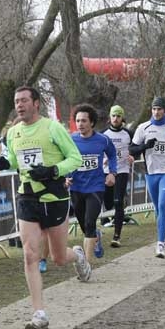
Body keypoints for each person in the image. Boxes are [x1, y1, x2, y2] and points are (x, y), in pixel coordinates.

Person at [0, 85, 87, 329]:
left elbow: (75, 158)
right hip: (27, 197)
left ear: (36, 103)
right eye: (16, 101)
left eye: (24, 100)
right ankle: (39, 313)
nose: (19, 105)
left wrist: (54, 170)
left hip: (54, 197)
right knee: (30, 254)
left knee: (58, 258)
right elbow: (15, 159)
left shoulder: (53, 128)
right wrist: (5, 162)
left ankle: (76, 255)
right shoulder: (13, 133)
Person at [130, 96, 165, 258]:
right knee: (157, 208)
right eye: (154, 109)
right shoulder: (143, 127)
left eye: (159, 109)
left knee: (162, 204)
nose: (156, 112)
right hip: (151, 173)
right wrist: (145, 146)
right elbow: (132, 149)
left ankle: (160, 245)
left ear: (164, 110)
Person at [68, 104, 117, 264]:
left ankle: (86, 264)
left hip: (96, 187)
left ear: (92, 123)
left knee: (89, 222)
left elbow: (112, 155)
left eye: (83, 121)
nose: (80, 124)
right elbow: (63, 159)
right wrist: (65, 177)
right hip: (76, 187)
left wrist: (112, 172)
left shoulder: (102, 139)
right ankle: (96, 236)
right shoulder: (71, 139)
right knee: (84, 224)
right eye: (77, 121)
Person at [100, 105, 134, 248]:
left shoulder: (128, 133)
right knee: (107, 202)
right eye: (113, 116)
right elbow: (97, 150)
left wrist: (132, 155)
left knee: (118, 201)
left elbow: (136, 145)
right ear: (110, 117)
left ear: (122, 118)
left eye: (118, 116)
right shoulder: (103, 134)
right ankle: (102, 224)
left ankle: (116, 236)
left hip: (122, 170)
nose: (115, 118)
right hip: (106, 171)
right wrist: (102, 159)